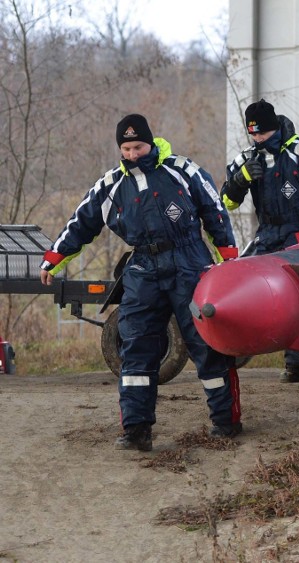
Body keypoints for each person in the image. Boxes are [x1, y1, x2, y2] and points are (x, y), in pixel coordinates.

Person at [40, 114, 243, 451]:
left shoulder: (183, 171)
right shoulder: (111, 185)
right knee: (135, 346)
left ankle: (226, 421)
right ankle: (136, 431)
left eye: (137, 146)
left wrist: (229, 260)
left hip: (189, 263)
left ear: (150, 142)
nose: (132, 153)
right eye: (126, 148)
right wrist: (55, 258)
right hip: (143, 268)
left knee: (206, 345)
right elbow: (82, 222)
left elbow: (215, 213)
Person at [221, 99, 299, 392]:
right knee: (260, 291)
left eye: (263, 133)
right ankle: (292, 363)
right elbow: (226, 203)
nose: (258, 139)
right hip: (267, 233)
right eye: (253, 134)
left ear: (274, 128)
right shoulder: (246, 158)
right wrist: (242, 178)